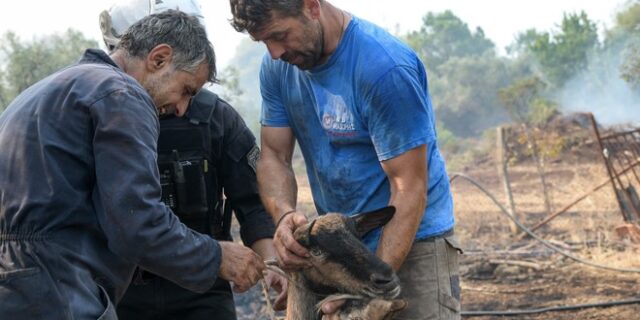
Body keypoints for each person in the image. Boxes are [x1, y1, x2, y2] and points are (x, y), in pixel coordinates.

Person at [0, 10, 266, 320]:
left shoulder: (43, 93)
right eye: (186, 90)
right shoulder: (122, 94)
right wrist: (216, 256)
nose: (181, 108)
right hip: (59, 287)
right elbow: (137, 224)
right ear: (159, 59)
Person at [229, 0, 462, 319]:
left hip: (414, 241)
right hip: (339, 246)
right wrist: (283, 215)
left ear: (311, 7)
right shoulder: (277, 67)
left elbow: (409, 186)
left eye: (280, 35)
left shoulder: (383, 68)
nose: (274, 52)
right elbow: (274, 155)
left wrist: (369, 287)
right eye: (264, 41)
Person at [98, 1, 287, 319]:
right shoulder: (99, 113)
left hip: (202, 289)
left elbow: (253, 203)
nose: (180, 105)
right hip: (119, 289)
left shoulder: (216, 118)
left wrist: (271, 266)